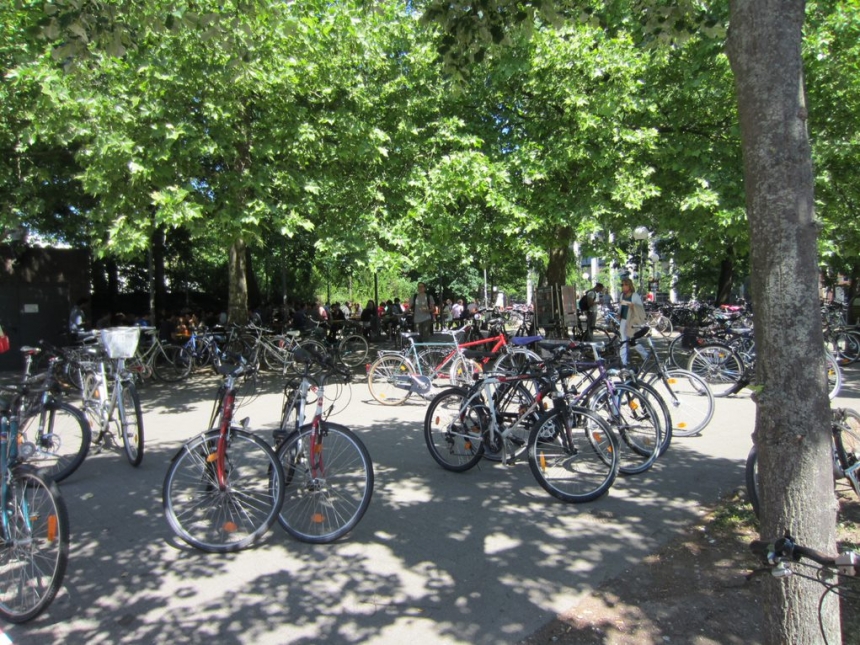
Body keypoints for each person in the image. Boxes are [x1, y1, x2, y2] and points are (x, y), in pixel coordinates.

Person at [619, 278, 648, 366]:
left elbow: (640, 308)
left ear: (629, 286)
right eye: (622, 285)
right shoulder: (621, 295)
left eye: (625, 285)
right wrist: (619, 314)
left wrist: (632, 306)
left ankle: (645, 355)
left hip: (632, 321)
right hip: (623, 320)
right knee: (623, 340)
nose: (623, 287)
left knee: (632, 340)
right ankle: (623, 361)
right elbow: (621, 308)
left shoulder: (635, 295)